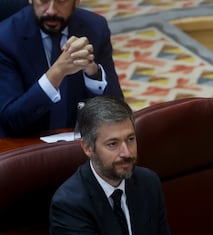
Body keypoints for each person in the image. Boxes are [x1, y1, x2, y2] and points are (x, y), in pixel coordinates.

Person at [47, 96, 203, 235]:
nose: (127, 153)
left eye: (130, 139)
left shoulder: (148, 183)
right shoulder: (69, 204)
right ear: (87, 148)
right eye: (113, 144)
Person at [0, 0, 123, 138]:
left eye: (61, 1)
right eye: (43, 1)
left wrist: (92, 73)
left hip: (79, 145)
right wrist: (56, 73)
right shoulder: (5, 38)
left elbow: (118, 110)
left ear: (76, 2)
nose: (51, 11)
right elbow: (10, 120)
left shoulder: (95, 27)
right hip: (25, 145)